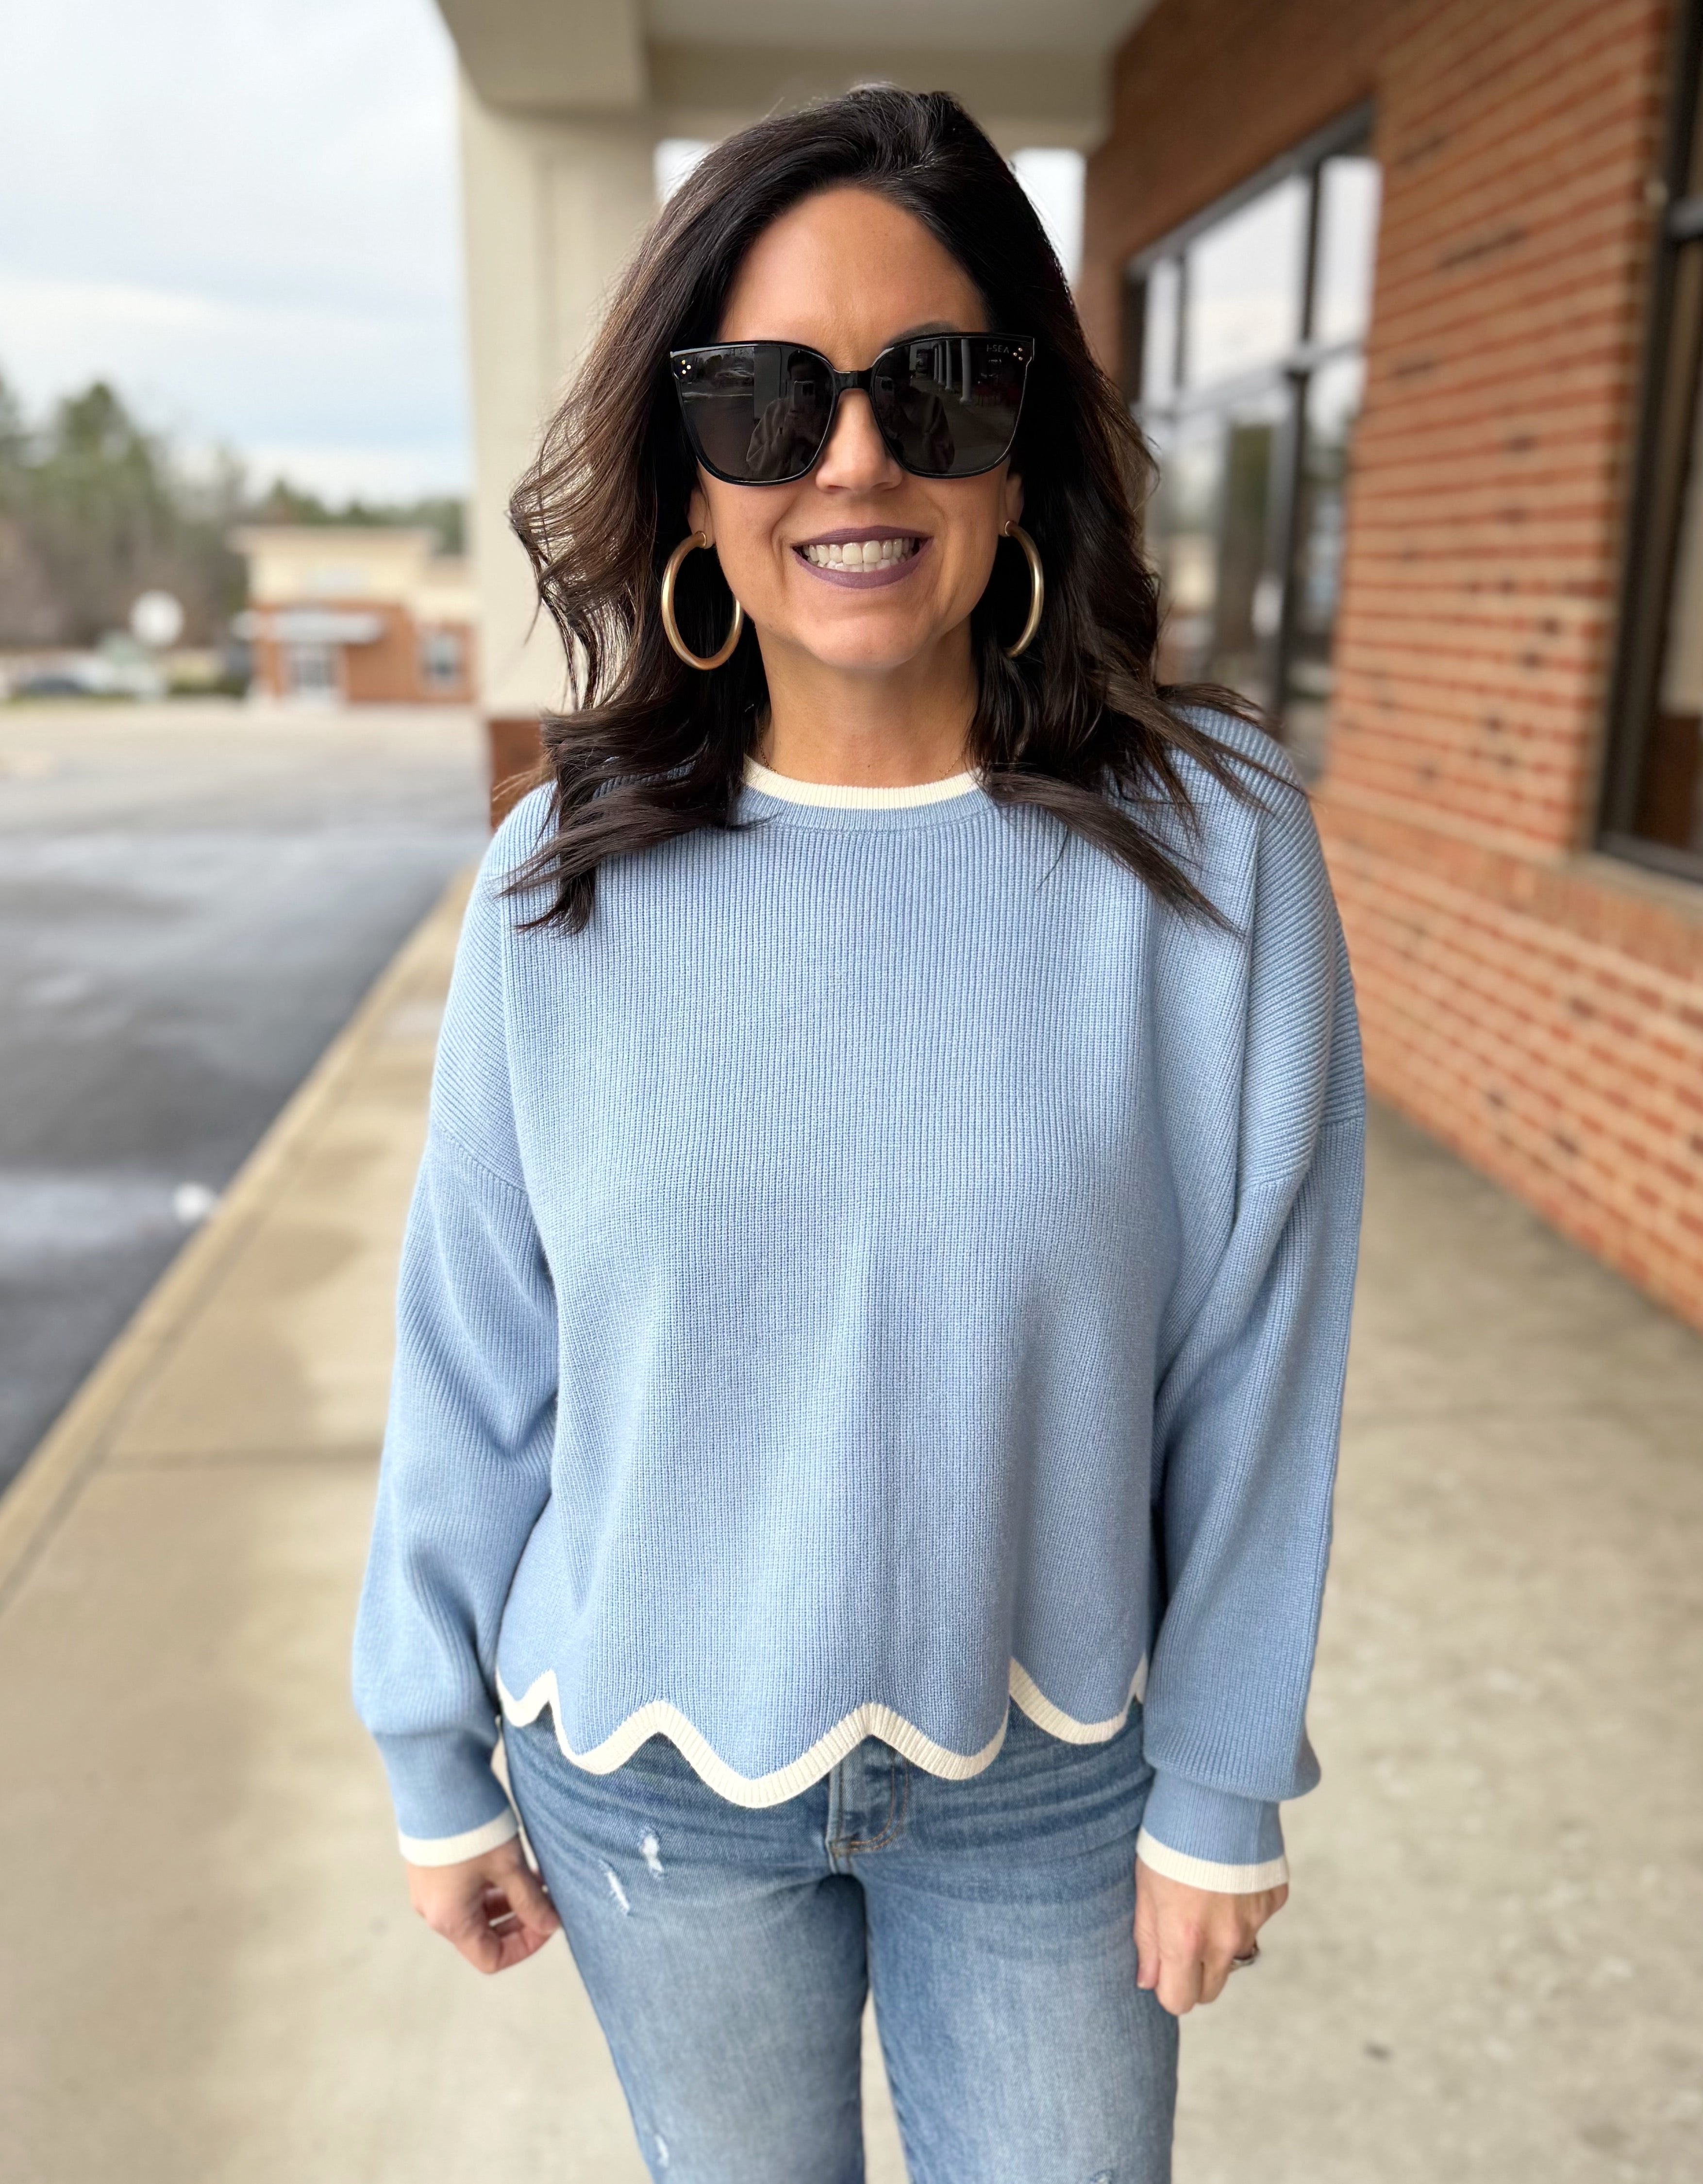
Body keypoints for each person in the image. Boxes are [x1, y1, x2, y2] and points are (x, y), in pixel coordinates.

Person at [353, 86, 1365, 2184]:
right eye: (762, 401)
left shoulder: (1219, 855)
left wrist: (1223, 1782)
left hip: (1062, 1788)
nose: (853, 460)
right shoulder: (565, 877)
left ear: (1028, 444)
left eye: (937, 385)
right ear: (685, 468)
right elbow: (477, 1354)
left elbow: (1265, 1355)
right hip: (642, 1791)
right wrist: (430, 1749)